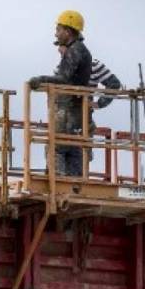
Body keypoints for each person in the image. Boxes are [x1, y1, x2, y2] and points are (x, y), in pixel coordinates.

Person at [29, 10, 92, 177]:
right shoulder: (80, 50)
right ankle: (74, 184)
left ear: (68, 31)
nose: (56, 33)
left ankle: (57, 184)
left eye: (58, 29)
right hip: (76, 110)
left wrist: (41, 79)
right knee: (73, 147)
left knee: (56, 146)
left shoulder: (75, 50)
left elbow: (64, 78)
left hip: (68, 109)